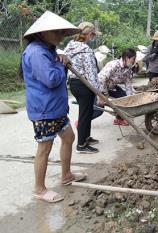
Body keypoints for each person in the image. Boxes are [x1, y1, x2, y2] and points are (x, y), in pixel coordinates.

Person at [21, 11, 86, 203]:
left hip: (55, 109)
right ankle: (39, 189)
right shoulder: (36, 52)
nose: (59, 35)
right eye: (56, 32)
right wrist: (62, 64)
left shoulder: (48, 49)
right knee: (45, 148)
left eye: (61, 32)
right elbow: (51, 80)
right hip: (44, 110)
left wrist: (60, 59)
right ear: (41, 33)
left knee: (69, 137)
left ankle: (66, 175)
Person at [64, 21, 102, 154]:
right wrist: (98, 92)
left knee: (87, 111)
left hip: (74, 84)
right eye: (93, 36)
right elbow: (91, 73)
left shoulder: (70, 47)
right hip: (84, 85)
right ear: (89, 35)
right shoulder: (86, 51)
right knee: (85, 113)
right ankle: (81, 145)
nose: (93, 38)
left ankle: (86, 137)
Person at [98, 48, 137, 126]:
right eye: (133, 59)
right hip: (99, 88)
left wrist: (130, 100)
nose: (134, 61)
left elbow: (128, 86)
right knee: (98, 110)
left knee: (124, 98)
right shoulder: (114, 65)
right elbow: (101, 79)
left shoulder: (128, 70)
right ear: (126, 58)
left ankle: (118, 119)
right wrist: (103, 95)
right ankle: (81, 121)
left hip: (111, 87)